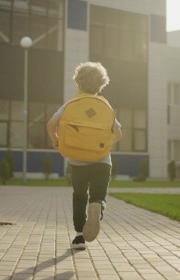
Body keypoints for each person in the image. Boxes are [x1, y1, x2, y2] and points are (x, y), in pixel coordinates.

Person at [46, 61, 122, 250]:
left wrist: (55, 140)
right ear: (101, 85)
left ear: (78, 84)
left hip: (77, 161)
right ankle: (97, 206)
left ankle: (79, 236)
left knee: (79, 196)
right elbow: (118, 134)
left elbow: (51, 125)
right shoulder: (105, 106)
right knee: (98, 194)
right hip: (102, 161)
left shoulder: (70, 105)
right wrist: (103, 146)